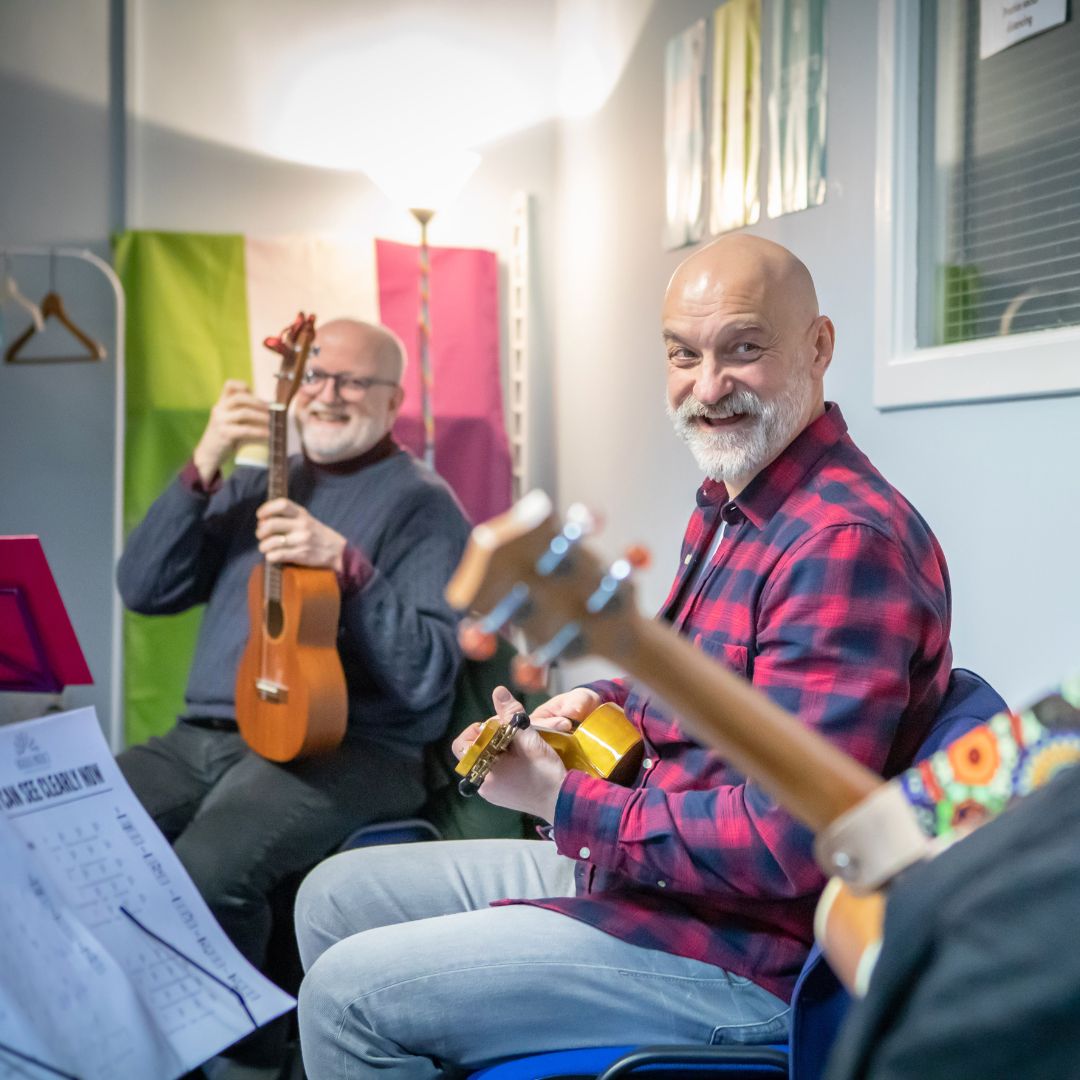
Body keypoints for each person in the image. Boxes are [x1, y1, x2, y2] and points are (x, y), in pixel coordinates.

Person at [293, 236, 955, 1079]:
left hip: (741, 954)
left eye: (743, 349)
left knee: (345, 995)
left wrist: (559, 799)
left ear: (818, 346)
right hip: (653, 885)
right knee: (333, 896)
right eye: (683, 355)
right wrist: (597, 702)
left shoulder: (840, 542)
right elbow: (711, 693)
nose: (707, 387)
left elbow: (789, 842)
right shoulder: (733, 500)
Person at [116, 318, 470, 1076]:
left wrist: (346, 564)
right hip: (207, 734)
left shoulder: (422, 504)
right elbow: (143, 588)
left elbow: (426, 674)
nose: (327, 394)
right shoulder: (260, 484)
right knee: (69, 828)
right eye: (315, 376)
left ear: (393, 400)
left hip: (353, 745)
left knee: (208, 873)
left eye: (352, 381)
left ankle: (247, 1064)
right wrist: (206, 461)